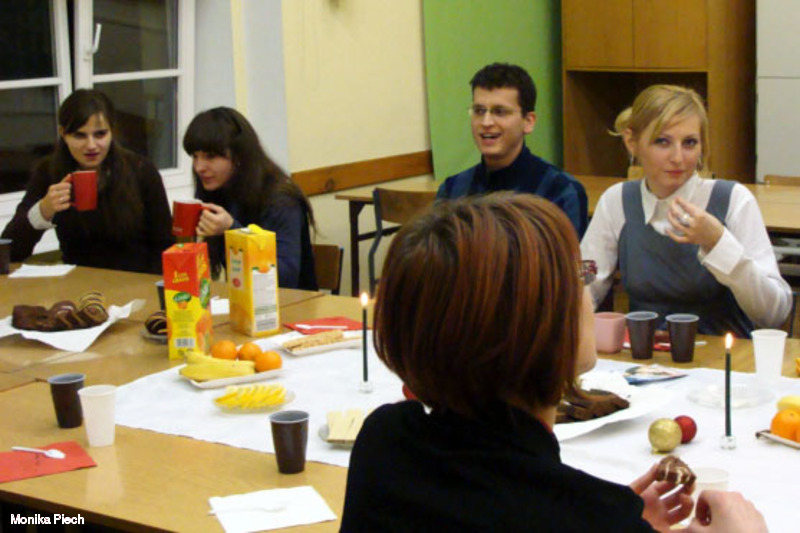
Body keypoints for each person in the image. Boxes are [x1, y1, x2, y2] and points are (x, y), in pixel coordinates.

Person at [341, 193, 766, 532]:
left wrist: (609, 511)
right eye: (579, 277)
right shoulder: (591, 517)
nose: (589, 295)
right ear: (537, 325)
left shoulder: (385, 442)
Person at [581, 85, 791, 338]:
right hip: (644, 354)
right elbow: (584, 286)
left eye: (690, 143)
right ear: (632, 142)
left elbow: (774, 313)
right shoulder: (616, 201)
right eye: (662, 142)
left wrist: (718, 242)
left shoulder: (734, 200)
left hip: (724, 356)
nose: (678, 157)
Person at [1, 89, 172, 274]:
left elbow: (165, 245)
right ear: (63, 133)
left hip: (136, 280)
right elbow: (10, 252)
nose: (91, 145)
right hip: (78, 283)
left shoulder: (141, 169)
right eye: (79, 135)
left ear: (112, 131)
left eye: (100, 134)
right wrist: (43, 211)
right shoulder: (49, 172)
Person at [436, 62, 588, 237]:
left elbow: (567, 254)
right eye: (479, 111)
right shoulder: (452, 190)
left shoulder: (561, 192)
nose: (486, 122)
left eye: (499, 112)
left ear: (528, 122)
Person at [182, 107, 317, 289]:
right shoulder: (218, 192)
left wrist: (233, 230)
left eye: (210, 157)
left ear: (238, 156)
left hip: (292, 302)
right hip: (243, 299)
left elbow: (284, 278)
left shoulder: (280, 198)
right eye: (195, 157)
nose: (199, 167)